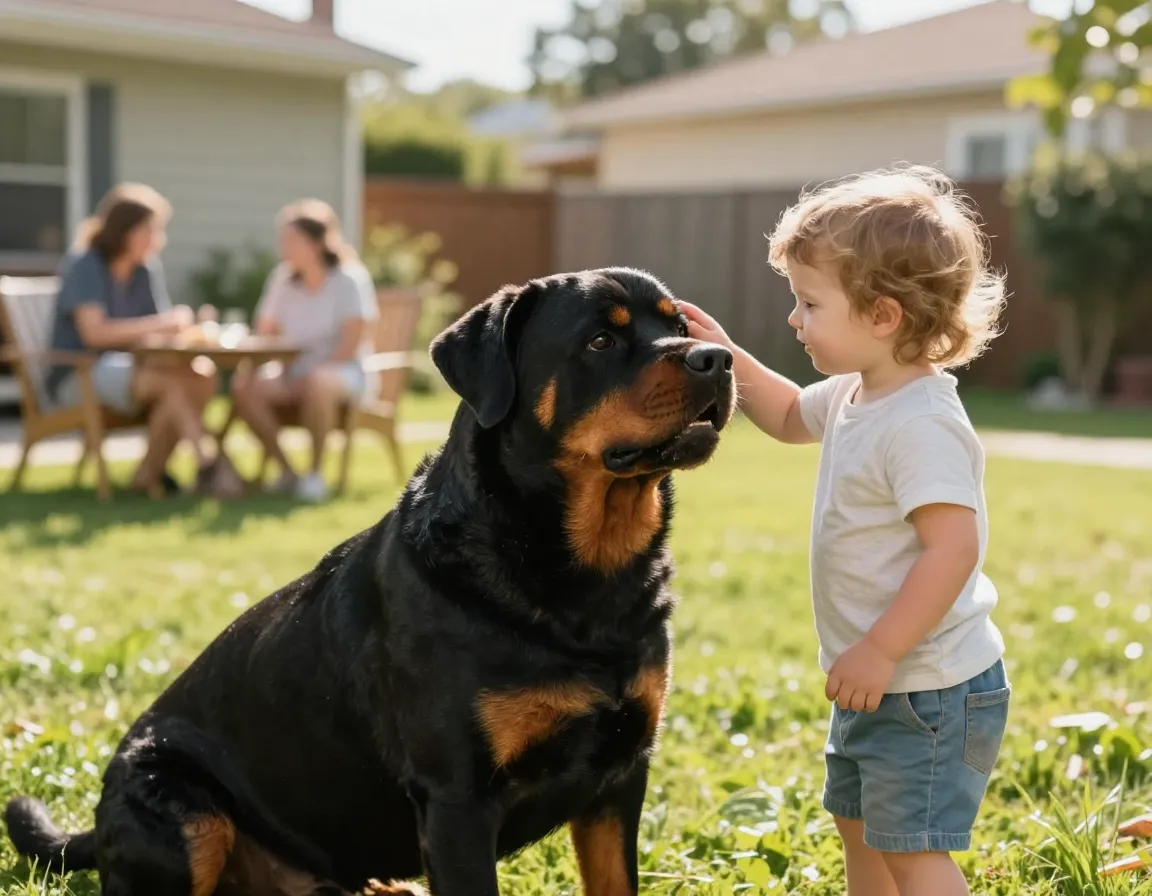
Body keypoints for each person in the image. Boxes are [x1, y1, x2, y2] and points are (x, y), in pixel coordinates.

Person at [683, 166, 1010, 896]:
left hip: (926, 685)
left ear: (883, 316)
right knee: (860, 830)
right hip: (878, 681)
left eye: (808, 303)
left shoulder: (921, 423)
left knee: (913, 851)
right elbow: (788, 415)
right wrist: (729, 356)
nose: (795, 319)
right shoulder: (855, 394)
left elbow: (953, 549)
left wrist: (880, 649)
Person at [45, 183, 241, 499]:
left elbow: (158, 332)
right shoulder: (86, 265)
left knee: (201, 376)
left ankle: (148, 473)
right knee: (172, 385)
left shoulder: (145, 269)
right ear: (125, 230)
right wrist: (161, 324)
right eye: (151, 230)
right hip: (78, 374)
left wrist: (183, 329)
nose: (158, 240)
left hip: (133, 368)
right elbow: (94, 333)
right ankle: (207, 463)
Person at [230, 199, 378, 503]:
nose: (283, 248)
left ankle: (314, 474)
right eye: (282, 240)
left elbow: (350, 346)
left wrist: (308, 375)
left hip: (344, 372)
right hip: (293, 370)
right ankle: (287, 472)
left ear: (317, 243)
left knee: (317, 382)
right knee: (245, 387)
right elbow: (266, 332)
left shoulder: (349, 280)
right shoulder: (282, 279)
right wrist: (270, 364)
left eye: (291, 241)